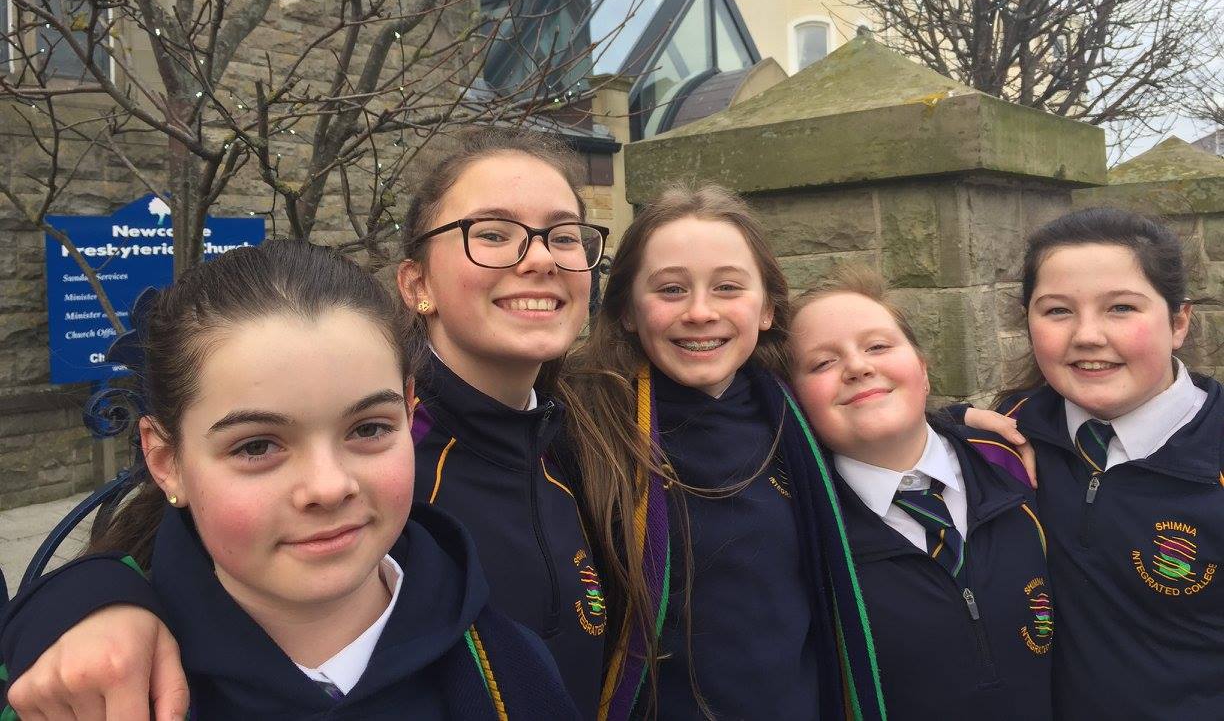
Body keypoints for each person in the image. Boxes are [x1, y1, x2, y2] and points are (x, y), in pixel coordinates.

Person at [0, 128, 611, 720]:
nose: (540, 258)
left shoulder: (592, 436)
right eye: (494, 234)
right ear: (416, 282)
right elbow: (157, 539)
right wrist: (85, 604)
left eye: (564, 236)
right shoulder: (397, 449)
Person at [574, 185, 886, 721]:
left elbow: (887, 421)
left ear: (766, 308)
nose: (700, 311)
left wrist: (965, 431)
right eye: (671, 289)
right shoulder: (586, 428)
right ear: (626, 310)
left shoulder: (797, 415)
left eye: (727, 287)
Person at [980, 207, 1223, 718]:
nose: (1087, 335)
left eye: (1121, 308)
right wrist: (947, 424)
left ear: (1178, 322)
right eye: (1057, 311)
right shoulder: (1002, 440)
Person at [788, 266, 1052, 720]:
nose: (858, 366)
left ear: (923, 370)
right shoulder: (799, 526)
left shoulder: (1013, 460)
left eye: (877, 346)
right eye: (822, 363)